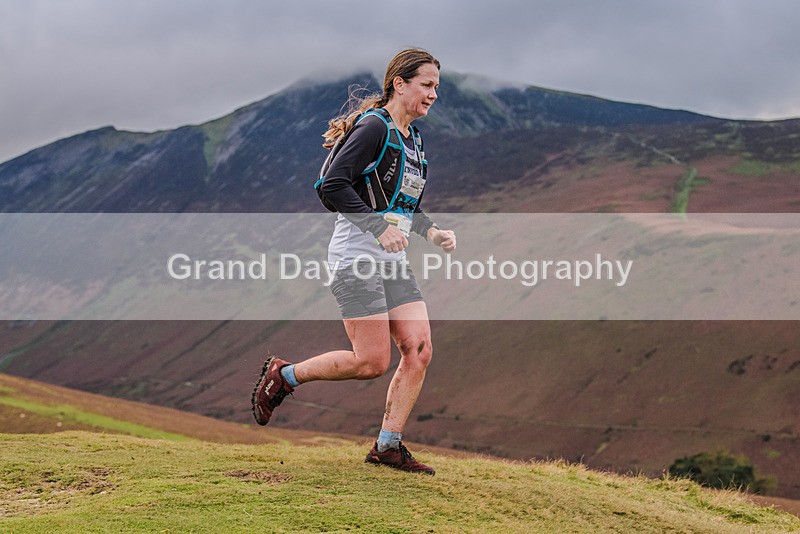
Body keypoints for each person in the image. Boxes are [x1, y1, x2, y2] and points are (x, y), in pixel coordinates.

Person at [252, 48, 456, 475]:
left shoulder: (413, 138)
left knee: (418, 350)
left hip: (391, 261)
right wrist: (379, 228)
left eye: (437, 86)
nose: (434, 94)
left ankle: (388, 446)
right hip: (355, 258)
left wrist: (430, 230)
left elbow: (401, 203)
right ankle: (284, 376)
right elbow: (331, 186)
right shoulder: (373, 128)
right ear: (400, 83)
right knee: (371, 362)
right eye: (427, 84)